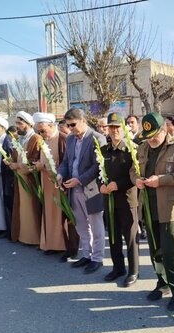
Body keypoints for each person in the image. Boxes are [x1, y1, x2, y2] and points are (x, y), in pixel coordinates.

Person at [130, 112, 174, 311]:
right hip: (148, 206)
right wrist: (137, 180)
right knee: (155, 249)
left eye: (155, 135)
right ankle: (162, 283)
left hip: (169, 207)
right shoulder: (143, 147)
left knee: (170, 251)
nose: (151, 140)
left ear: (165, 130)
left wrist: (161, 180)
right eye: (148, 137)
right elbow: (133, 170)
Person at [58, 108, 106, 274]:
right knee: (81, 225)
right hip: (74, 189)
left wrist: (80, 179)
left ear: (83, 121)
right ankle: (86, 254)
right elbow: (66, 161)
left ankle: (97, 258)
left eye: (73, 125)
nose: (70, 128)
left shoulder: (97, 139)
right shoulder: (70, 139)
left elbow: (98, 166)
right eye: (68, 125)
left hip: (91, 189)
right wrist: (60, 174)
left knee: (96, 225)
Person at [100, 113, 139, 286]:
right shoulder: (103, 150)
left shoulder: (132, 148)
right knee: (114, 236)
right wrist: (100, 185)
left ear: (124, 129)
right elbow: (98, 172)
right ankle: (118, 268)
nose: (114, 130)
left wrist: (118, 184)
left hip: (127, 199)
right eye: (111, 127)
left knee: (130, 238)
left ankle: (133, 271)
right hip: (109, 200)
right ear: (107, 129)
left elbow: (135, 175)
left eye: (117, 127)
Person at [35, 112, 79, 261]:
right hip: (47, 184)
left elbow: (67, 164)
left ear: (52, 126)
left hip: (61, 185)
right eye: (39, 131)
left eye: (43, 130)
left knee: (64, 217)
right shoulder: (45, 140)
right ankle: (53, 245)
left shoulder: (63, 139)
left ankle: (68, 248)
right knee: (50, 215)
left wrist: (44, 166)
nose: (41, 134)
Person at [9, 111, 42, 246]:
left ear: (28, 124)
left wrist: (17, 165)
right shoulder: (19, 139)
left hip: (30, 179)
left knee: (31, 208)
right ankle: (22, 236)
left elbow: (34, 160)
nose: (17, 126)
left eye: (20, 123)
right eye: (16, 123)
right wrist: (10, 160)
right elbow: (16, 156)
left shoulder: (36, 138)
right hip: (19, 178)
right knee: (22, 208)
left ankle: (34, 238)